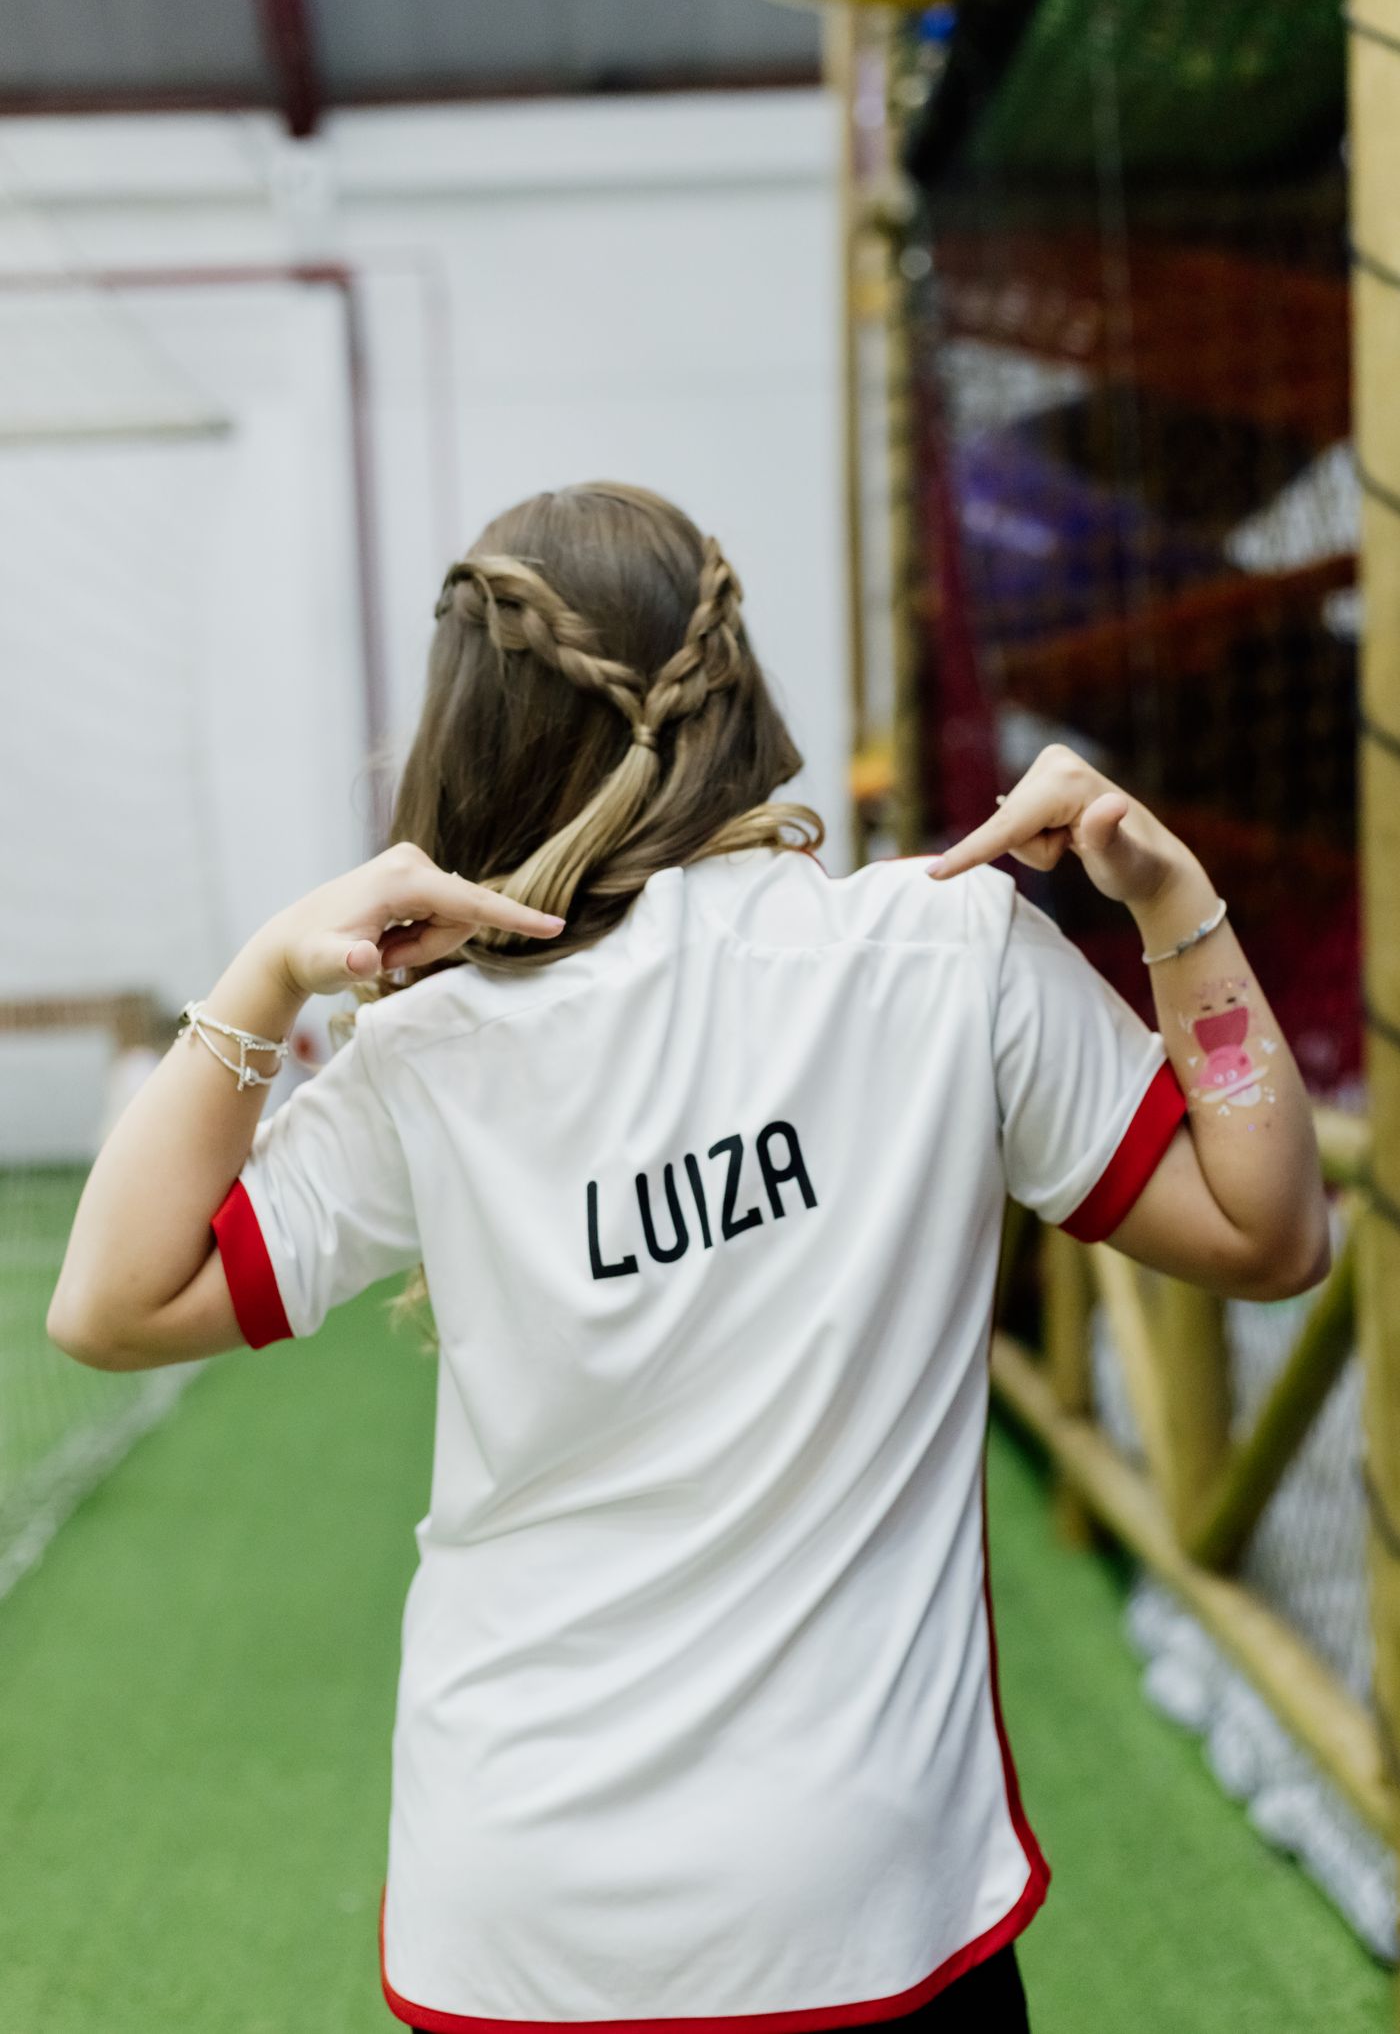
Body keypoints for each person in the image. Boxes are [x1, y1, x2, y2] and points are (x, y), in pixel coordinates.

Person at [47, 481, 1330, 2034]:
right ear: (736, 689)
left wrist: (263, 975)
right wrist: (1171, 895)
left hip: (517, 1920)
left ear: (475, 727)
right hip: (859, 1913)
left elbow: (108, 1303)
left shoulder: (439, 1048)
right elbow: (1271, 1231)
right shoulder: (944, 950)